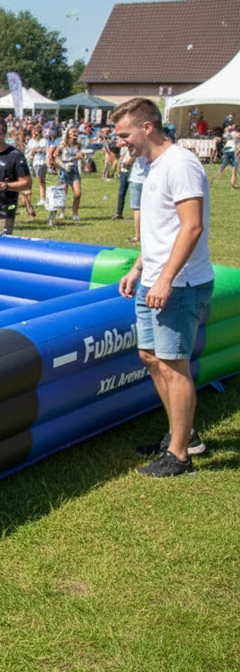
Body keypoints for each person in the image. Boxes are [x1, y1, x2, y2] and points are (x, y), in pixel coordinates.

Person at [114, 98, 214, 477]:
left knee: (173, 365)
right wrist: (139, 267)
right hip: (154, 278)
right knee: (150, 357)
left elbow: (191, 226)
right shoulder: (151, 165)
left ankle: (180, 456)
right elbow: (161, 229)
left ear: (147, 127)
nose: (121, 142)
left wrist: (167, 278)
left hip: (179, 283)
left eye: (125, 134)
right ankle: (182, 435)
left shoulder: (180, 164)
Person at [48, 127, 84, 220]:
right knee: (63, 193)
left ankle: (75, 213)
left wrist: (81, 157)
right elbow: (56, 157)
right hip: (65, 170)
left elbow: (81, 157)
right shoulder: (62, 145)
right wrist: (63, 166)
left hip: (74, 171)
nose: (75, 133)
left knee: (78, 193)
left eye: (76, 132)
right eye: (72, 132)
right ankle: (61, 212)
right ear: (68, 134)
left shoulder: (78, 145)